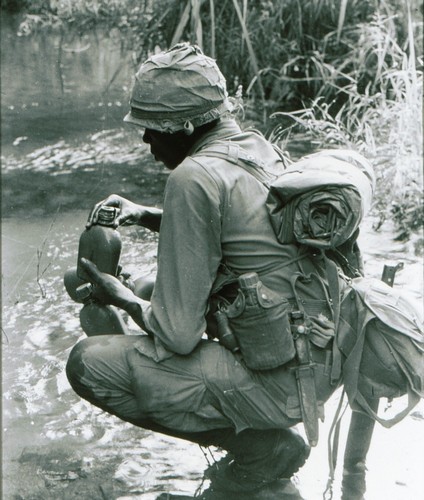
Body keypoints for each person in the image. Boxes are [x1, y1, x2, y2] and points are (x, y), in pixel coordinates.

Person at [65, 43, 359, 499]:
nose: (146, 142)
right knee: (148, 285)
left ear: (184, 126)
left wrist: (119, 298)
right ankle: (260, 433)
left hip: (282, 384)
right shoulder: (255, 148)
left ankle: (260, 447)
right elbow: (243, 232)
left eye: (152, 129)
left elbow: (177, 335)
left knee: (87, 364)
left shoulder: (191, 177)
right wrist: (146, 214)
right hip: (317, 361)